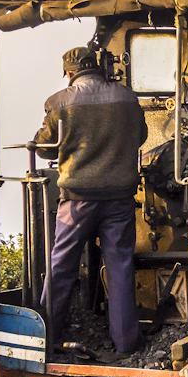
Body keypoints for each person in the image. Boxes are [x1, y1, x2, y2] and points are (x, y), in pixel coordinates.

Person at [37, 47, 147, 354]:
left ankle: (45, 339)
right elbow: (140, 135)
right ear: (98, 68)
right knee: (120, 266)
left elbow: (45, 147)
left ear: (70, 74)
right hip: (119, 199)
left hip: (76, 200)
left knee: (61, 266)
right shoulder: (128, 98)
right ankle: (127, 344)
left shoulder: (59, 102)